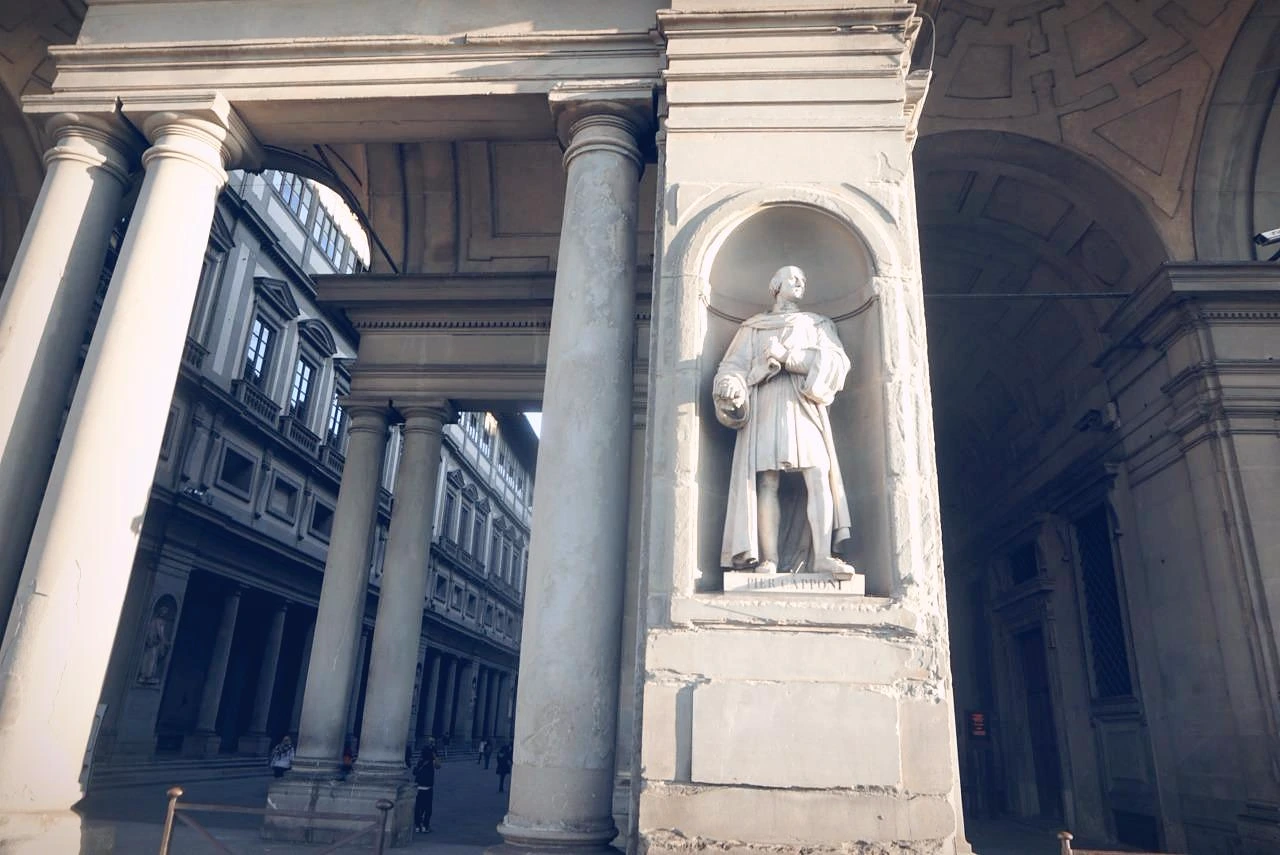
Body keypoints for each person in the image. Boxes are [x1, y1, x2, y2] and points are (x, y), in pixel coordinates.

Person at [713, 265, 855, 578]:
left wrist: (788, 357)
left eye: (803, 279)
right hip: (766, 406)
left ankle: (822, 556)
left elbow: (837, 363)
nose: (800, 282)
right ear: (775, 285)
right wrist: (731, 385)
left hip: (804, 405)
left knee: (819, 474)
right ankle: (769, 559)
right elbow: (732, 366)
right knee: (767, 480)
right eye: (793, 277)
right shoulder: (753, 328)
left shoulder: (817, 324)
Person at [413, 741, 440, 833]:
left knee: (418, 807)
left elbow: (415, 772)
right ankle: (425, 826)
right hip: (428, 787)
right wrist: (435, 756)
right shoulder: (431, 762)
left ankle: (417, 826)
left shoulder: (420, 761)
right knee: (427, 808)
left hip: (418, 787)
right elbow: (438, 766)